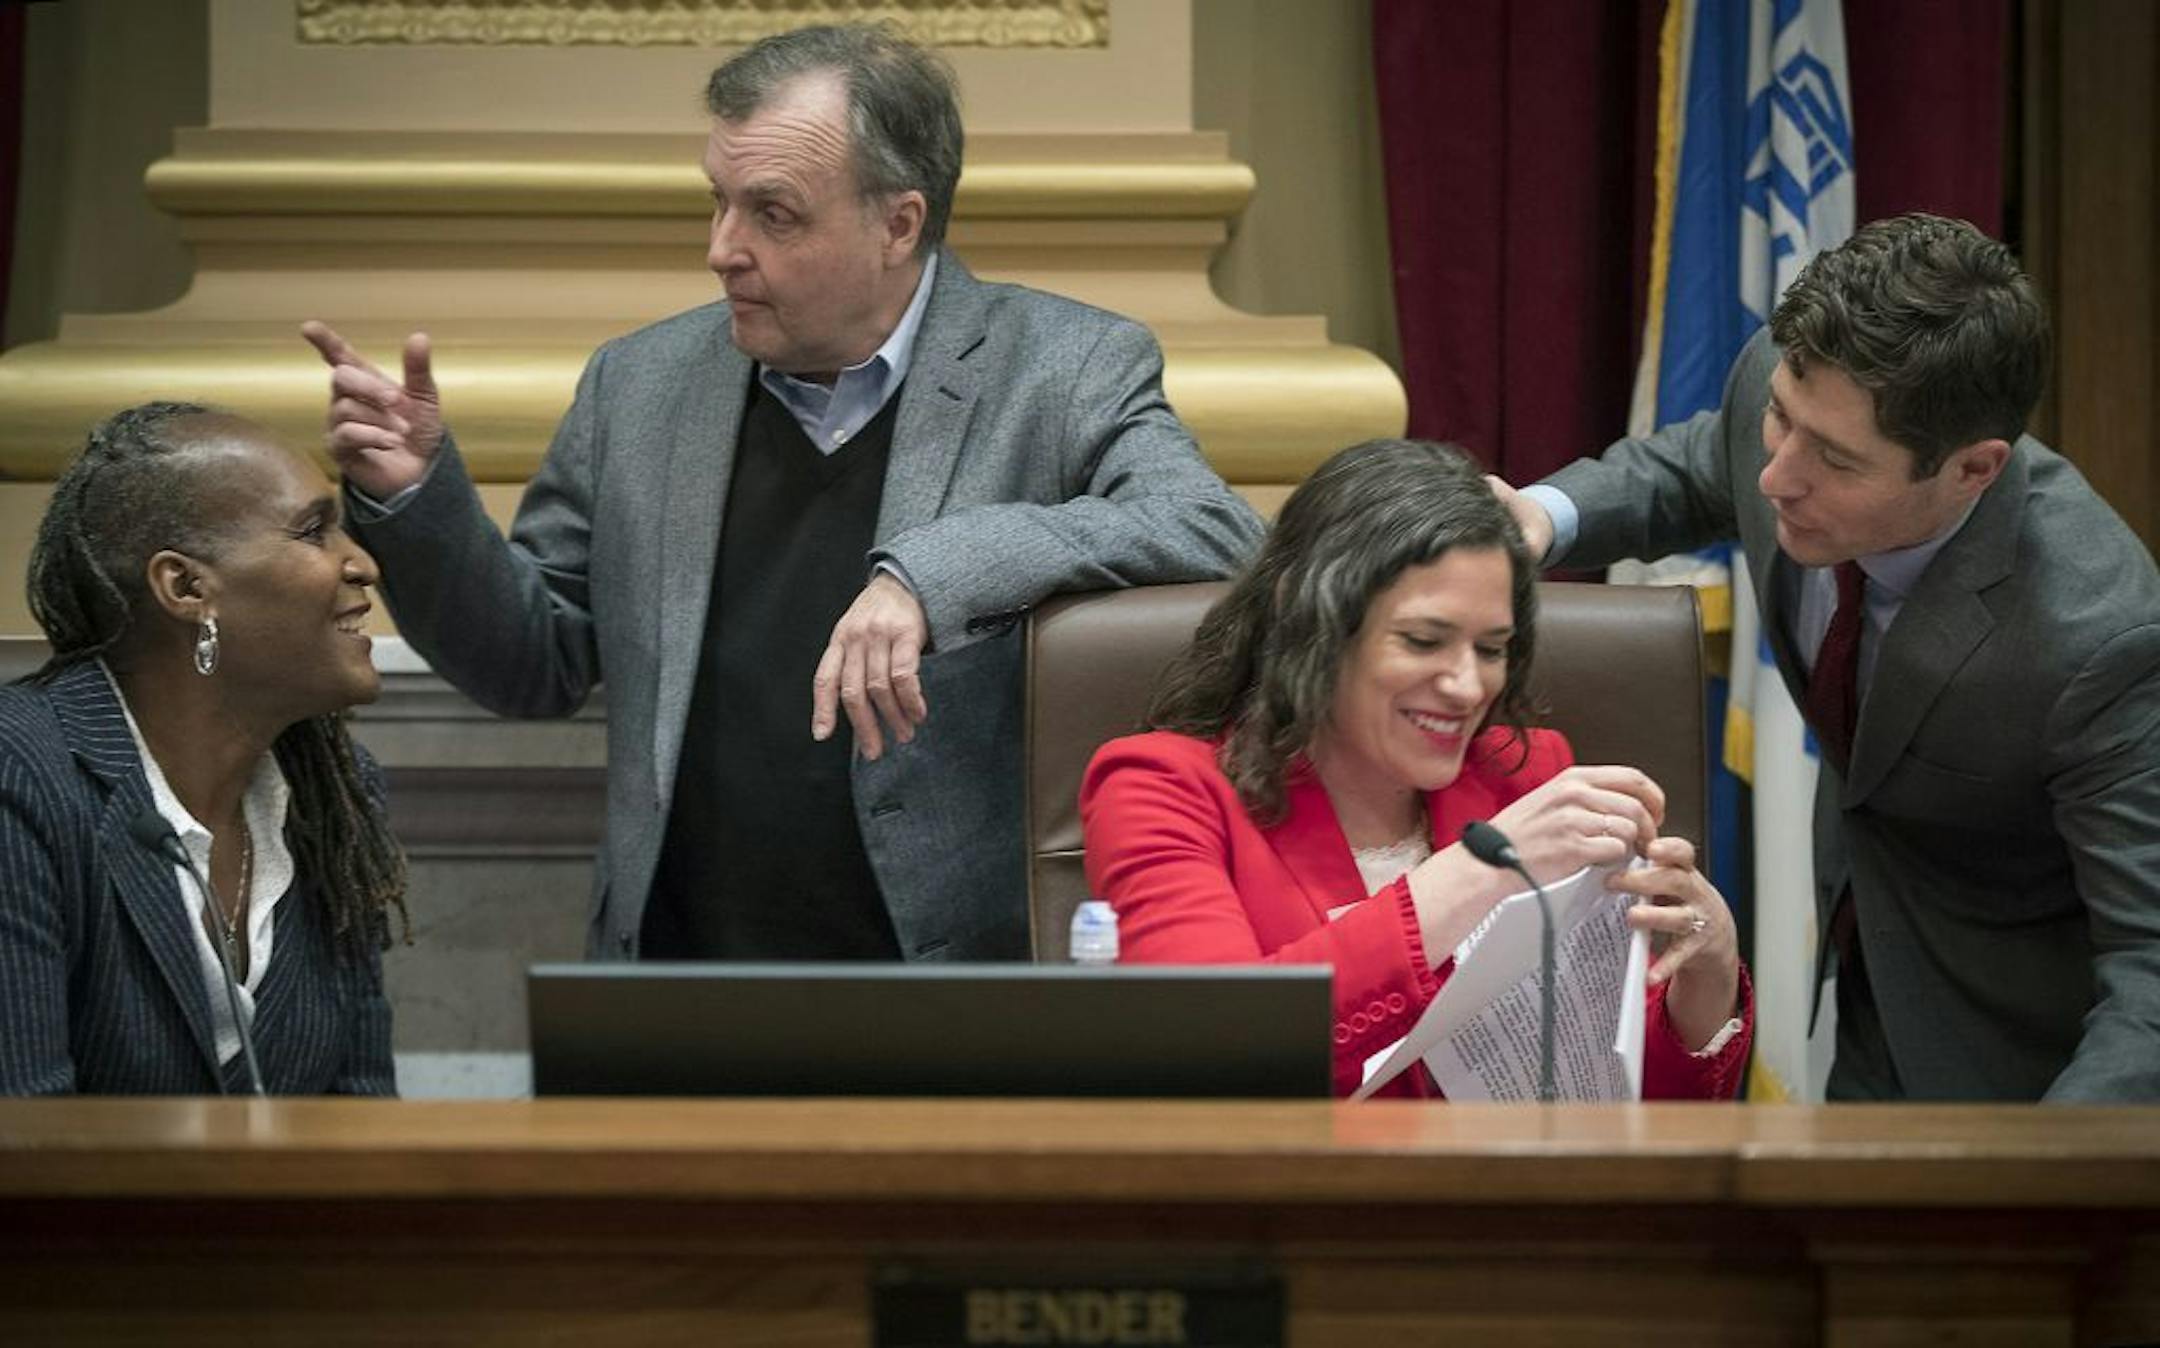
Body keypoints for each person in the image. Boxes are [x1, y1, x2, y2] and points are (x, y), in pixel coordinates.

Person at [299, 24, 1262, 963]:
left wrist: (934, 574)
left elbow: (1215, 530)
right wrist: (418, 497)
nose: (723, 248)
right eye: (718, 202)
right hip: (680, 974)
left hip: (945, 981)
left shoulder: (1062, 368)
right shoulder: (638, 385)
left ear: (899, 223)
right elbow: (531, 661)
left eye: (774, 213)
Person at [1496, 213, 2160, 1101]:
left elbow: (2150, 965)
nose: (1777, 479)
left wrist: (2047, 1177)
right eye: (1781, 417)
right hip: (1865, 974)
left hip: (2024, 1045)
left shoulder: (2099, 635)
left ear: (1973, 470)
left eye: (1837, 463)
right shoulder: (1794, 394)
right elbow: (1704, 464)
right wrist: (1544, 515)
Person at [1080, 439, 1752, 1099]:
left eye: (1491, 648)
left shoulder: (1528, 773)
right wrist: (1479, 874)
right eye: (1423, 641)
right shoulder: (1160, 786)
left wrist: (1706, 978)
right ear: (1307, 614)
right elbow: (1218, 1050)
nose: (1466, 687)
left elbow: (1614, 1103)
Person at [0, 402, 407, 1096]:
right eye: (314, 531)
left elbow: (362, 1116)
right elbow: (25, 1141)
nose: (362, 565)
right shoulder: (23, 778)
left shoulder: (335, 799)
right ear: (186, 587)